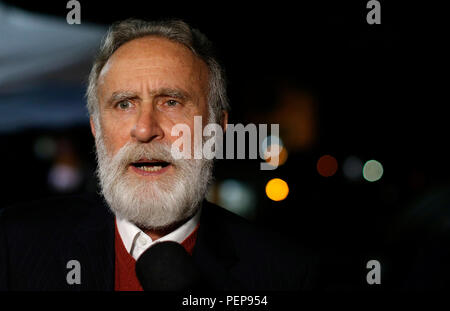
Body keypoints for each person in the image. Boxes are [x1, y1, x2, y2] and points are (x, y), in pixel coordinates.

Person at [0, 19, 318, 291]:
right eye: (124, 104)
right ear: (96, 127)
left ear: (217, 128)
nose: (144, 129)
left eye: (171, 102)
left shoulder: (283, 274)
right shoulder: (14, 246)